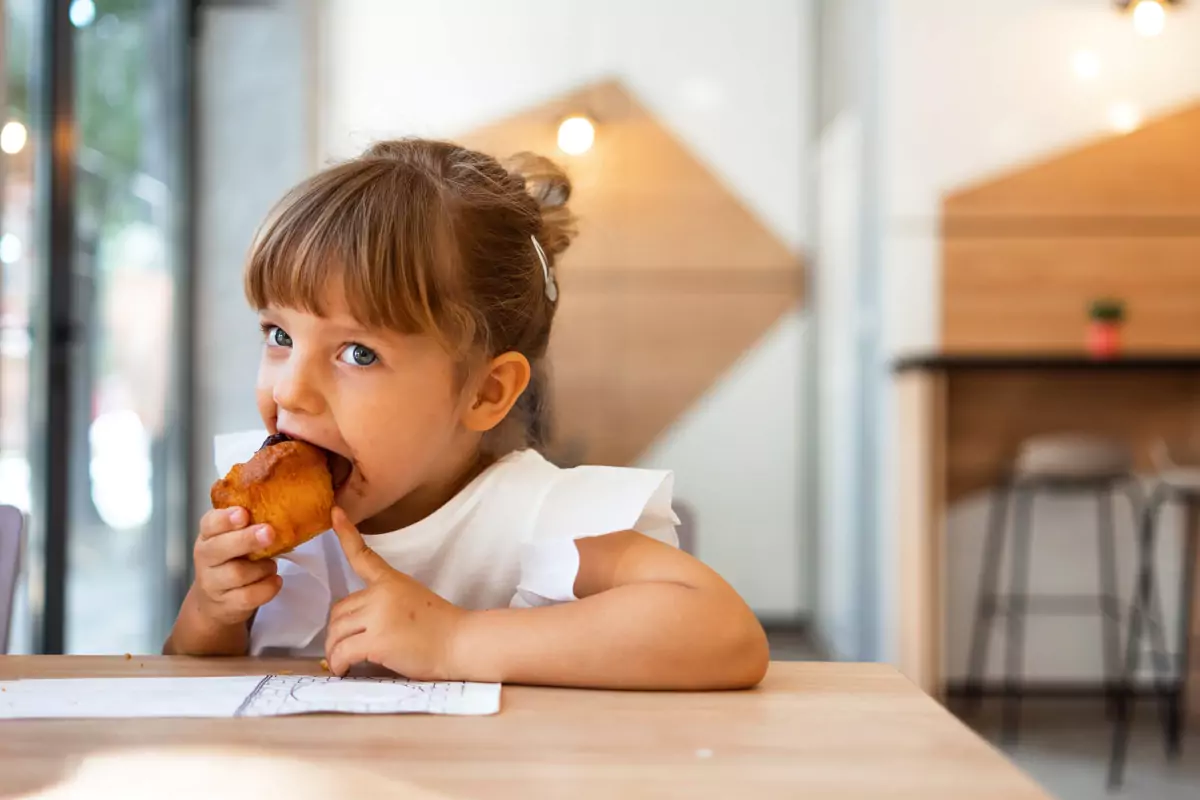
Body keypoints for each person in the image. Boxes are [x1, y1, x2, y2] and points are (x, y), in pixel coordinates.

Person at [165, 140, 769, 689]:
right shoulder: (273, 529)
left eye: (358, 353)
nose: (292, 391)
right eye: (279, 334)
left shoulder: (534, 516)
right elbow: (185, 683)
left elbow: (725, 634)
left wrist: (457, 641)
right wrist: (212, 612)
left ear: (485, 392)